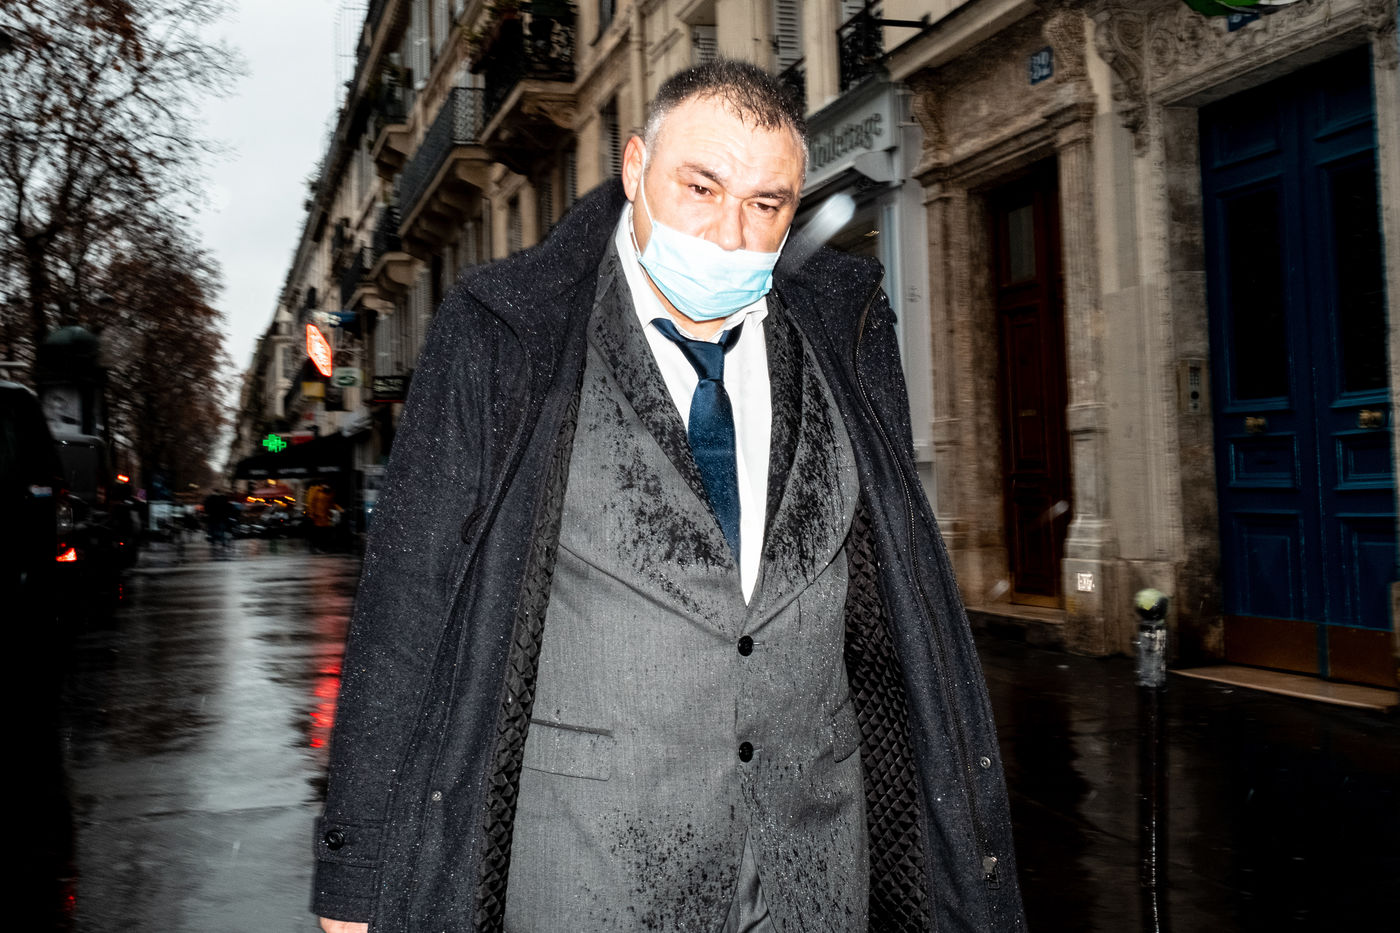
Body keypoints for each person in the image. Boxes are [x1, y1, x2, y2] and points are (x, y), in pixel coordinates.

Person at [314, 61, 1025, 933]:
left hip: (815, 865)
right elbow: (407, 604)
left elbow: (899, 596)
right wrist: (355, 874)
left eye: (765, 204)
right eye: (701, 187)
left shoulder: (849, 325)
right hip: (589, 867)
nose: (729, 233)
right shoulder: (507, 329)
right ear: (635, 168)